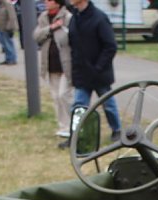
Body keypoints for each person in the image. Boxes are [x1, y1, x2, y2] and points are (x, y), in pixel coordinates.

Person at [67, 0, 121, 142]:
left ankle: (117, 131)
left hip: (99, 74)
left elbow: (110, 46)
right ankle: (75, 138)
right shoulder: (75, 18)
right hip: (81, 74)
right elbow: (73, 45)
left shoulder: (99, 18)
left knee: (108, 104)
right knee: (79, 107)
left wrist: (98, 67)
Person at [34, 0, 73, 138]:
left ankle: (73, 124)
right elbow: (37, 36)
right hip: (50, 63)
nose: (46, 2)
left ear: (58, 3)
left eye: (50, 0)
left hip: (65, 64)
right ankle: (63, 126)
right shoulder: (43, 17)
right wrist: (51, 28)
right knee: (56, 97)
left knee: (64, 95)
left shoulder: (67, 17)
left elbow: (69, 38)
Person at [0, 0, 18, 65]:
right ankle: (8, 58)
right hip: (1, 28)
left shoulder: (7, 4)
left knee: (9, 44)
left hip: (7, 28)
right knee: (5, 45)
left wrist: (10, 27)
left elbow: (12, 16)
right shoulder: (0, 4)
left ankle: (12, 59)